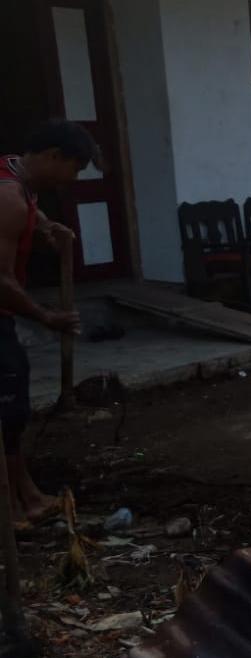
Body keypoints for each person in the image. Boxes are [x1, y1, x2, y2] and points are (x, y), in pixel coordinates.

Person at [0, 121, 88, 523]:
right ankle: (13, 506)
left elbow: (27, 214)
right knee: (7, 408)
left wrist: (48, 227)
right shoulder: (9, 197)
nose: (73, 179)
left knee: (12, 407)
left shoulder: (16, 177)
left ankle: (26, 494)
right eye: (75, 168)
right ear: (54, 156)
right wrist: (45, 316)